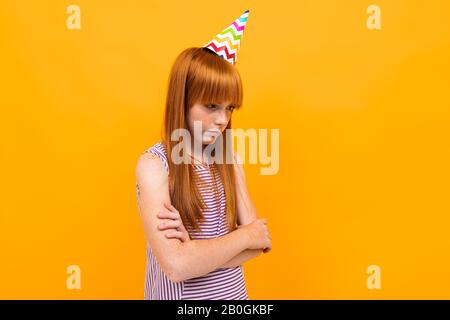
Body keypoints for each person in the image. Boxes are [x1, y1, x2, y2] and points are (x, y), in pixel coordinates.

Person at [135, 10, 272, 300]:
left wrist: (196, 253)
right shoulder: (155, 165)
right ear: (182, 101)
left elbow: (259, 244)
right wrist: (242, 237)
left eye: (230, 108)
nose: (223, 119)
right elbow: (176, 266)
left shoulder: (227, 159)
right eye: (211, 106)